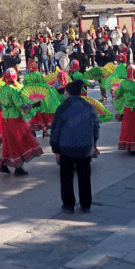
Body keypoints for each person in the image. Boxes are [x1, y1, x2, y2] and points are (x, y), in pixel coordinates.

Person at [50, 79, 100, 213]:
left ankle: (68, 204)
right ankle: (85, 204)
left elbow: (56, 128)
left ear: (69, 92)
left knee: (66, 176)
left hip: (66, 148)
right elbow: (96, 126)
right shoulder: (89, 106)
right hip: (86, 147)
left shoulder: (63, 107)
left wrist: (54, 146)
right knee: (84, 176)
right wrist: (93, 142)